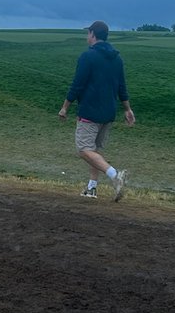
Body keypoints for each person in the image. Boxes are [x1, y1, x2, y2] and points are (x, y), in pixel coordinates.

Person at [58, 20, 135, 200]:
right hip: (108, 113)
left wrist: (64, 108)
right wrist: (127, 109)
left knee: (84, 149)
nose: (87, 36)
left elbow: (77, 85)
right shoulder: (117, 58)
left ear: (93, 34)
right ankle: (92, 188)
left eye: (88, 33)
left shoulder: (87, 57)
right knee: (95, 151)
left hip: (90, 111)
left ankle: (115, 176)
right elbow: (122, 87)